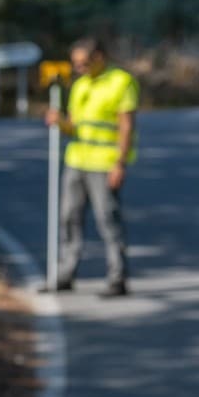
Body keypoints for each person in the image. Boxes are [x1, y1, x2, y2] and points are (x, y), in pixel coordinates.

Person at [44, 36, 138, 296]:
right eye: (75, 64)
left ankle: (117, 278)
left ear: (99, 57)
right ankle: (64, 274)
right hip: (77, 161)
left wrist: (119, 164)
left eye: (83, 63)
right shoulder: (79, 85)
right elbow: (73, 127)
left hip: (104, 164)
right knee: (68, 218)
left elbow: (126, 126)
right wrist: (59, 122)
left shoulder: (121, 82)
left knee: (108, 219)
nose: (78, 69)